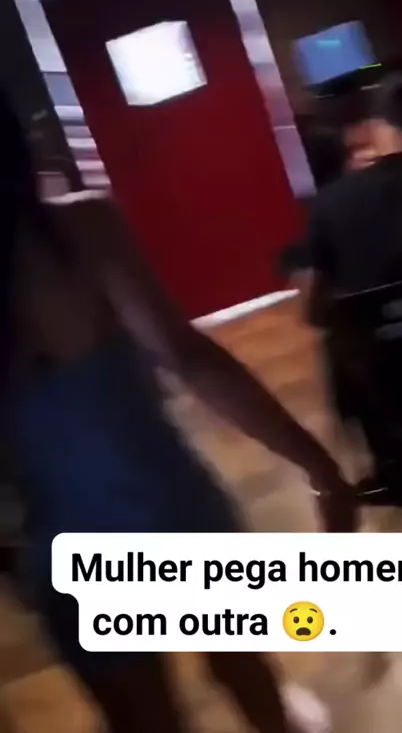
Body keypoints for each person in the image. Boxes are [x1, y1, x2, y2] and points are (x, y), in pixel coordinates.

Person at [0, 92, 350, 732]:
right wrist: (317, 463)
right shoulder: (86, 230)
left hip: (65, 548)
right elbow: (191, 359)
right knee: (252, 682)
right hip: (173, 505)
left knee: (148, 721)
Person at [304, 73, 402, 500]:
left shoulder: (328, 205)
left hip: (381, 366)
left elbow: (312, 308)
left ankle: (386, 468)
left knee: (339, 341)